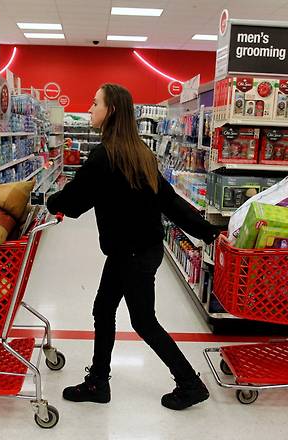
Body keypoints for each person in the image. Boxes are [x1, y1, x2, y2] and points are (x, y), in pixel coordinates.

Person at [47, 83, 219, 410]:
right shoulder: (139, 151)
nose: (90, 108)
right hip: (138, 250)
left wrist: (47, 199)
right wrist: (206, 231)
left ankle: (189, 383)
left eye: (95, 103)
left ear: (111, 110)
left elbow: (72, 201)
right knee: (103, 310)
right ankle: (98, 381)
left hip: (131, 254)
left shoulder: (105, 156)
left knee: (143, 321)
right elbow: (169, 202)